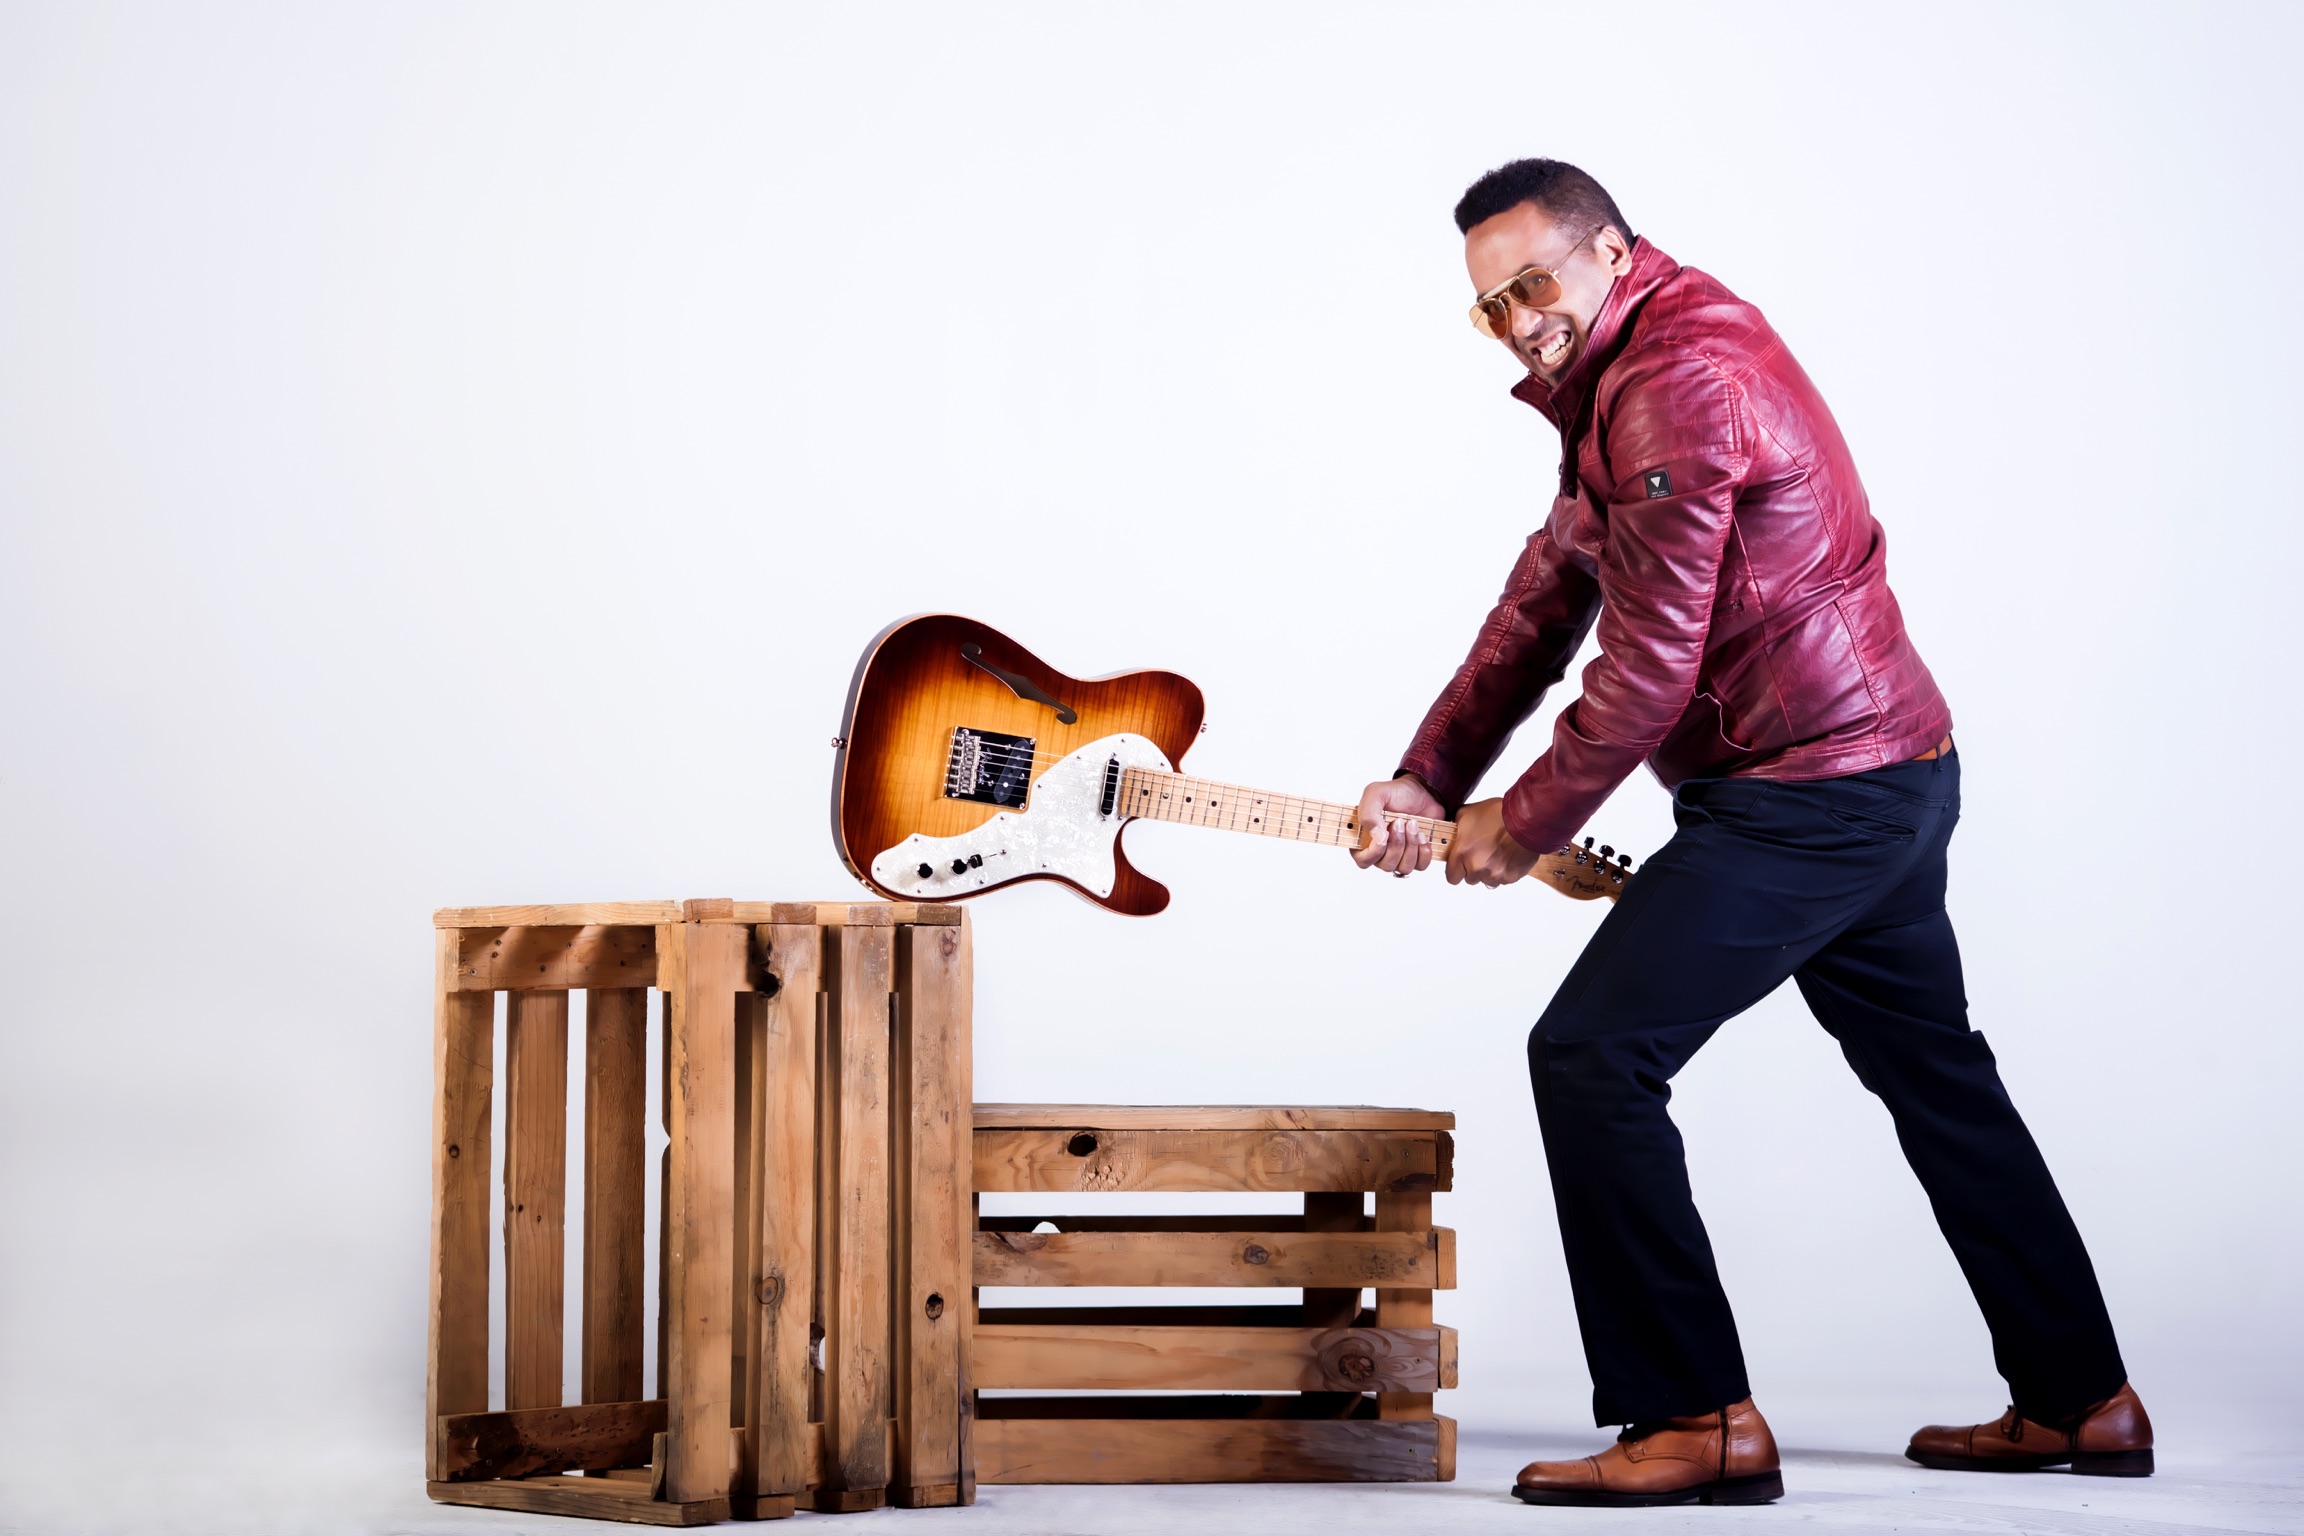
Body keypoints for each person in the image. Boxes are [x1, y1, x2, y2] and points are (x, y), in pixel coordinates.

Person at [1352, 158, 2151, 1508]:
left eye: (1534, 284)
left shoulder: (1674, 380)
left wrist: (1519, 825)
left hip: (1810, 797)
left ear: (1610, 252)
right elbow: (1549, 594)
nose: (1520, 322)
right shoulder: (1631, 365)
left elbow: (1649, 672)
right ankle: (2085, 1401)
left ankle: (1693, 1419)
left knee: (1593, 1055)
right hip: (1885, 773)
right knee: (1940, 1083)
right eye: (1491, 306)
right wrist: (1430, 776)